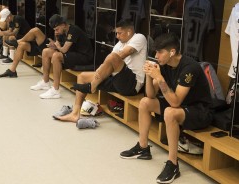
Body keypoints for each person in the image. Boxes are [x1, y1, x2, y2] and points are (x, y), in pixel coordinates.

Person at [120, 33, 213, 184]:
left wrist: (160, 78)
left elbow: (175, 102)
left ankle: (173, 164)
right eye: (155, 52)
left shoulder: (190, 68)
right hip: (179, 106)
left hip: (200, 111)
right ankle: (143, 147)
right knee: (144, 102)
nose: (156, 56)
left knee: (170, 112)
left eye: (160, 52)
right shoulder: (164, 65)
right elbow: (150, 95)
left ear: (172, 52)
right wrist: (150, 76)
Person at [55, 19, 147, 121]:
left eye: (119, 33)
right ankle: (75, 114)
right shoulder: (120, 43)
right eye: (116, 33)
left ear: (129, 31)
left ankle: (92, 86)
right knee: (82, 77)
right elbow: (107, 62)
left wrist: (102, 70)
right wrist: (99, 72)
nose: (117, 36)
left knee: (113, 57)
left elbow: (122, 54)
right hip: (116, 79)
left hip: (132, 84)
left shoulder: (139, 37)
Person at [0, 14, 94, 100]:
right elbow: (60, 45)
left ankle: (55, 90)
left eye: (57, 29)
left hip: (84, 56)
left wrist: (57, 46)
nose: (56, 31)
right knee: (46, 51)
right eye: (54, 30)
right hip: (73, 53)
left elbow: (64, 49)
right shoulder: (62, 32)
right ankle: (45, 82)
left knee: (56, 56)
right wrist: (54, 44)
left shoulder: (73, 30)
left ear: (63, 25)